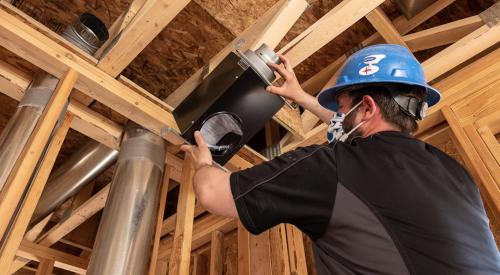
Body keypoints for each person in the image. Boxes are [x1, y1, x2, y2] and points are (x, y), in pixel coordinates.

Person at [181, 44, 500, 274]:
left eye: (343, 108)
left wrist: (204, 163)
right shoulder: (455, 173)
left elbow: (214, 194)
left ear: (368, 107)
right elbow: (350, 134)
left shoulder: (328, 167)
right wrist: (301, 97)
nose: (338, 117)